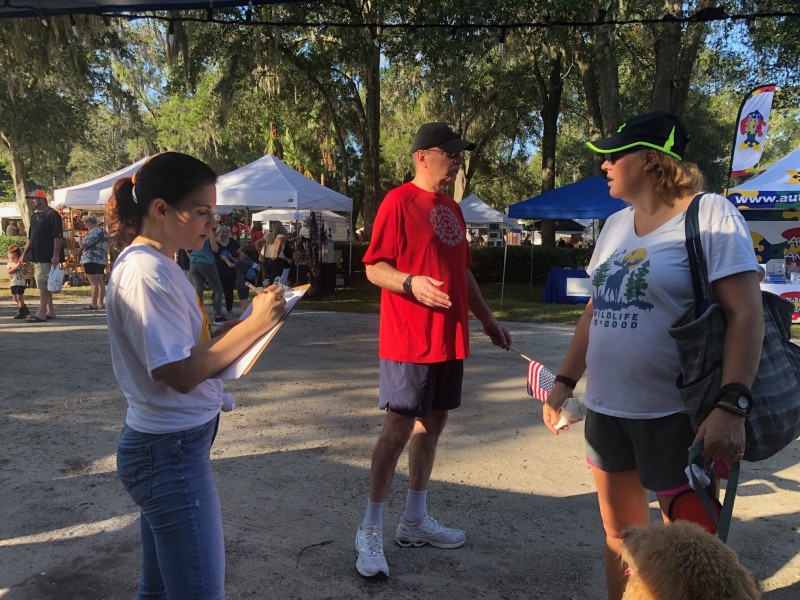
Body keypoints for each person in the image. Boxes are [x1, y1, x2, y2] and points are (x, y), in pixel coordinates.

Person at [543, 111, 763, 600]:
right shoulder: (616, 225)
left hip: (676, 416)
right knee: (622, 539)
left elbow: (747, 315)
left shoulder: (710, 214)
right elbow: (594, 313)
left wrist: (731, 406)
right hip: (607, 410)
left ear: (649, 159)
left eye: (613, 156)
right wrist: (563, 383)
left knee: (691, 549)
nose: (604, 165)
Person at [104, 152, 286, 600]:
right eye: (201, 211)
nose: (212, 223)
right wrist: (255, 325)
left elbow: (185, 349)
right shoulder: (148, 273)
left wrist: (237, 327)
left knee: (162, 588)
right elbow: (179, 373)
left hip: (171, 446)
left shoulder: (161, 264)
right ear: (161, 209)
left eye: (213, 211)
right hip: (168, 452)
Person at [355, 121, 512, 578]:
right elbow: (373, 268)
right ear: (423, 155)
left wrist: (485, 318)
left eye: (460, 153)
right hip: (409, 338)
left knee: (434, 423)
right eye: (451, 152)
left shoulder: (453, 209)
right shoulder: (398, 202)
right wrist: (410, 283)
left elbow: (462, 271)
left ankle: (415, 520)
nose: (458, 159)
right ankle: (369, 528)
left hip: (449, 338)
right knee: (397, 430)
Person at [20, 189, 64, 322]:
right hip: (37, 255)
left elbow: (58, 236)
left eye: (34, 198)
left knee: (44, 284)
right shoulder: (34, 216)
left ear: (42, 199)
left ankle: (42, 312)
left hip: (48, 255)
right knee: (44, 283)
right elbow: (30, 238)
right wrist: (24, 254)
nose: (32, 201)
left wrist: (55, 255)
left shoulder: (52, 214)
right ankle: (50, 311)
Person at [189, 223, 226, 324]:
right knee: (218, 289)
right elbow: (215, 249)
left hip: (193, 262)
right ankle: (218, 317)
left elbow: (188, 249)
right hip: (207, 262)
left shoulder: (195, 232)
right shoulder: (209, 232)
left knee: (198, 291)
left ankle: (198, 317)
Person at [80, 215, 110, 310]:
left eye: (85, 224)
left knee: (93, 282)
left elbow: (84, 245)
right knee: (100, 281)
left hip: (91, 258)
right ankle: (100, 303)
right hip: (101, 258)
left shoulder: (93, 232)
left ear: (89, 222)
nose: (85, 226)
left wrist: (80, 242)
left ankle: (94, 304)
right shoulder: (103, 232)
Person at [214, 225, 240, 315]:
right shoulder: (214, 241)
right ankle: (216, 310)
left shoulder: (232, 242)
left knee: (229, 290)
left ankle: (229, 309)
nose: (224, 234)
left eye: (226, 232)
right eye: (222, 232)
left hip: (230, 269)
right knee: (217, 290)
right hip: (217, 268)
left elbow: (239, 251)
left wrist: (233, 257)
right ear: (218, 233)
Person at [6, 244, 29, 319]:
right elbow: (10, 271)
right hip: (13, 283)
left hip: (20, 283)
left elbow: (27, 271)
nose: (12, 260)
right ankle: (25, 309)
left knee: (20, 297)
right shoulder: (10, 264)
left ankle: (21, 312)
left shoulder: (22, 264)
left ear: (19, 257)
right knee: (15, 298)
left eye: (13, 258)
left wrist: (25, 267)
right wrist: (17, 266)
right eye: (10, 258)